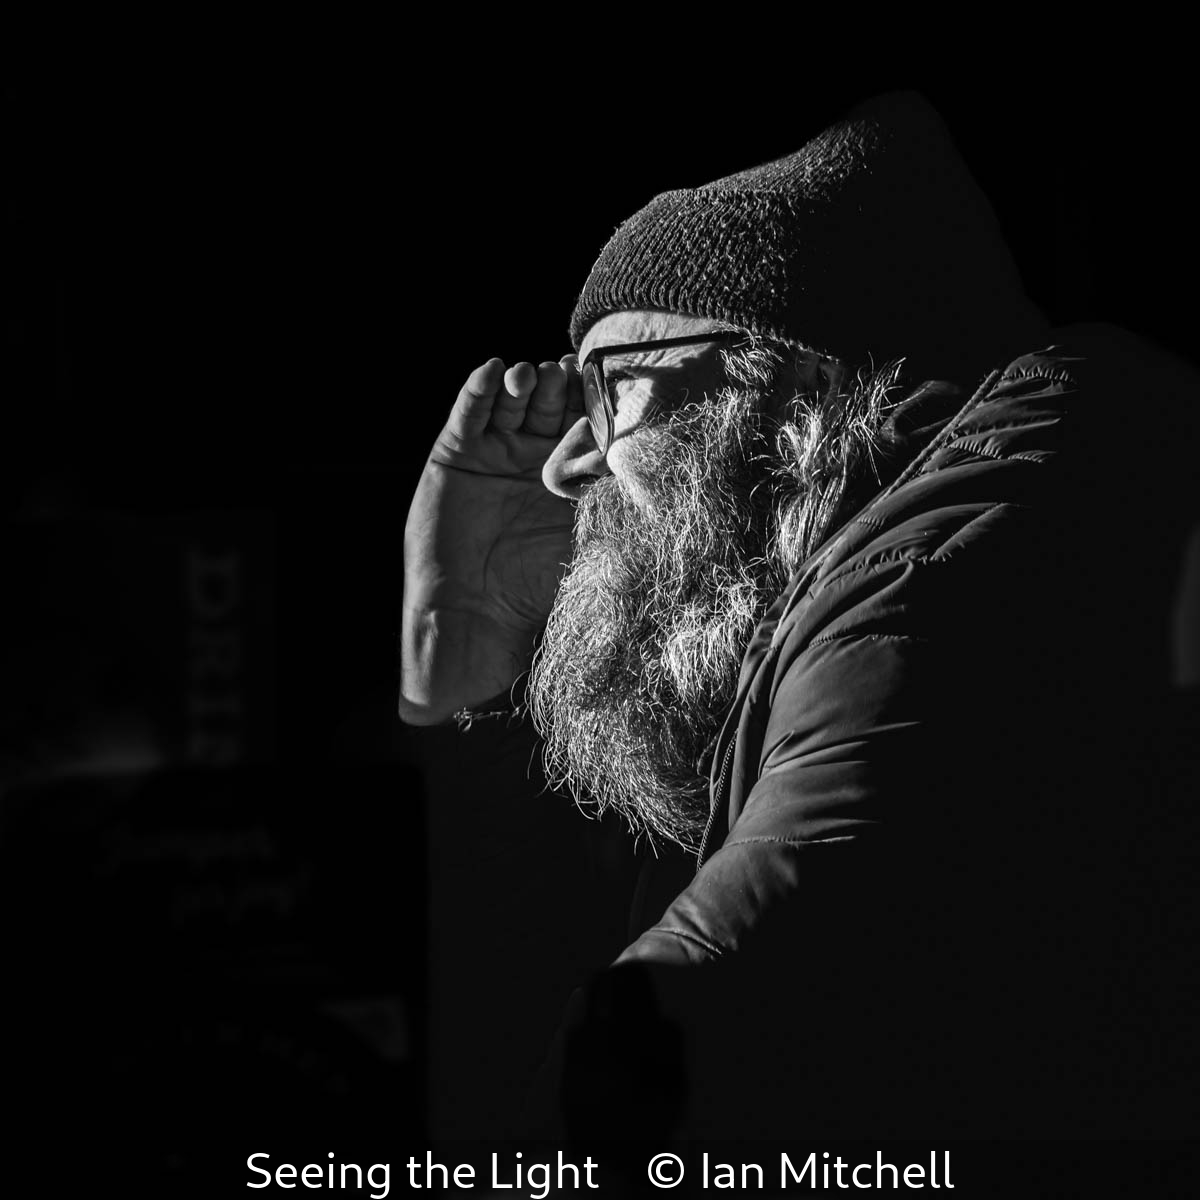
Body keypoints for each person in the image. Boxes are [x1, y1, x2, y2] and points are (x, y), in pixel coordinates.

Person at [401, 91, 1198, 1141]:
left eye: (609, 387)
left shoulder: (956, 573)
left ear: (791, 378)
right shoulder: (887, 568)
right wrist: (475, 657)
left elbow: (684, 1067)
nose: (567, 464)